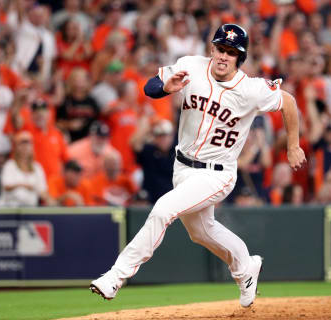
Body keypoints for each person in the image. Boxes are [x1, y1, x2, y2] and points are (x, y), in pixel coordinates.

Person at [90, 24, 306, 308]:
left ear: (239, 58)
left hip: (217, 174)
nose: (223, 56)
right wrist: (165, 87)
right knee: (201, 232)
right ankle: (245, 267)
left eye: (231, 52)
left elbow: (288, 103)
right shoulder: (191, 65)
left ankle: (116, 277)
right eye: (220, 49)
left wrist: (292, 145)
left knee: (163, 210)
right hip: (183, 168)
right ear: (211, 48)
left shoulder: (251, 89)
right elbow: (150, 86)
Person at [0, 131, 55, 207]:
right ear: (16, 147)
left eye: (28, 144)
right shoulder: (10, 165)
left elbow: (42, 190)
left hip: (29, 208)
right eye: (22, 144)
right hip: (9, 208)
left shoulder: (37, 168)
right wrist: (25, 185)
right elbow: (6, 185)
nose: (25, 147)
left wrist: (51, 201)